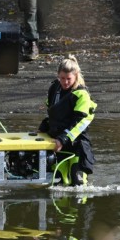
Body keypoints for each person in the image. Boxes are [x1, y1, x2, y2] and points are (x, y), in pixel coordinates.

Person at [38, 55, 97, 186]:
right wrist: (43, 128)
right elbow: (53, 113)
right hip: (57, 143)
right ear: (58, 76)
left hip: (76, 143)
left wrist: (63, 138)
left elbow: (80, 122)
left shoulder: (81, 94)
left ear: (76, 76)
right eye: (62, 78)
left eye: (68, 79)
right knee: (58, 181)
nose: (65, 82)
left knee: (77, 184)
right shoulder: (54, 88)